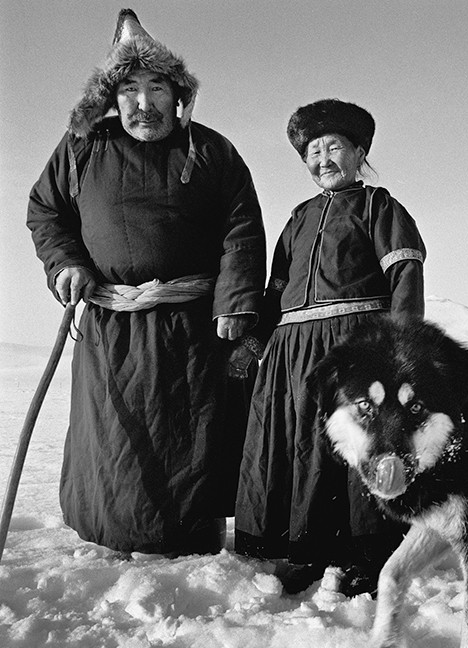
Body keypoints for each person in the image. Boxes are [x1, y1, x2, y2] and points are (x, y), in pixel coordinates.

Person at [27, 10, 267, 556]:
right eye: (129, 89)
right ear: (112, 97)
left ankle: (192, 540)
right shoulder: (81, 148)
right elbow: (46, 211)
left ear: (176, 93)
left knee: (189, 436)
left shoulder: (210, 150)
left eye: (155, 87)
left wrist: (236, 300)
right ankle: (112, 540)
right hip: (111, 323)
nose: (142, 103)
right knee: (116, 438)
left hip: (191, 327)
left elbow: (242, 228)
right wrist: (66, 265)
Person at [235, 98, 425, 595]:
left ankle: (364, 556)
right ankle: (306, 549)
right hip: (293, 350)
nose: (323, 160)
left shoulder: (378, 206)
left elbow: (404, 274)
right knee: (304, 446)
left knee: (355, 445)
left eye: (334, 147)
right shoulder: (297, 218)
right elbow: (277, 291)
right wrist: (256, 338)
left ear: (359, 152)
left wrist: (401, 346)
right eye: (312, 152)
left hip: (354, 345)